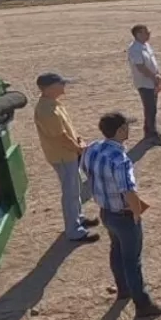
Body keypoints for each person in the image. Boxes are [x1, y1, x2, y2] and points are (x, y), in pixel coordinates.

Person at [81, 112, 161, 318]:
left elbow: (86, 169)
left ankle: (123, 290)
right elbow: (128, 190)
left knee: (116, 250)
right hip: (123, 215)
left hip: (106, 212)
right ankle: (143, 304)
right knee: (133, 260)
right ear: (121, 130)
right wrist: (137, 213)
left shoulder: (93, 148)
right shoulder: (120, 160)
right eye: (126, 126)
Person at [34, 72, 99, 244]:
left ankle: (78, 218)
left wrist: (78, 139)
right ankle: (74, 230)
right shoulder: (47, 110)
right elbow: (60, 137)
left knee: (75, 187)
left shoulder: (54, 104)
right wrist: (78, 148)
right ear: (49, 88)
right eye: (61, 84)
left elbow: (67, 128)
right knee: (70, 192)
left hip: (68, 153)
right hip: (63, 155)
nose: (64, 86)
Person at [128, 25, 161, 146]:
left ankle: (150, 131)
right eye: (146, 32)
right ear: (138, 34)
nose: (149, 34)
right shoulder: (134, 49)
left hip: (152, 81)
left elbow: (152, 62)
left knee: (152, 108)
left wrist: (158, 75)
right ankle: (151, 135)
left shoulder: (146, 45)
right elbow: (140, 67)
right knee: (150, 109)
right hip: (145, 83)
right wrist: (154, 77)